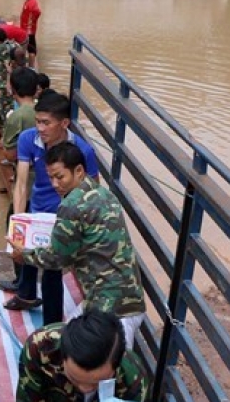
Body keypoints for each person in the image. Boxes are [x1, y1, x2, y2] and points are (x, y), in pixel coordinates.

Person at [8, 142, 146, 346]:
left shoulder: (71, 205)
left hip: (110, 311)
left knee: (105, 369)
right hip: (131, 300)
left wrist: (24, 256)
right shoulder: (104, 194)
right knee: (70, 337)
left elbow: (56, 258)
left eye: (60, 177)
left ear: (79, 171)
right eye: (51, 177)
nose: (55, 184)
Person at [8, 92, 99, 325]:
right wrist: (20, 219)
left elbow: (93, 191)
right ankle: (26, 294)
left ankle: (51, 325)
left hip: (63, 214)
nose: (40, 127)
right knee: (24, 247)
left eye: (46, 123)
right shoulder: (28, 139)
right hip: (37, 207)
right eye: (38, 121)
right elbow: (20, 182)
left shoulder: (83, 151)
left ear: (64, 123)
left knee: (51, 267)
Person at [14, 312, 148, 402]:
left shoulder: (133, 378)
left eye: (96, 383)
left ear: (116, 366)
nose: (85, 388)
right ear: (63, 355)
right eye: (74, 379)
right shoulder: (40, 349)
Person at [0, 67, 40, 294]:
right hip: (45, 181)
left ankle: (20, 282)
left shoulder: (18, 117)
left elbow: (9, 154)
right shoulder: (43, 112)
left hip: (27, 180)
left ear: (13, 89)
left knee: (17, 227)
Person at [17, 0, 41, 68]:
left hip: (28, 30)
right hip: (26, 29)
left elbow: (37, 12)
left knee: (31, 49)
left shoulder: (32, 3)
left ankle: (31, 67)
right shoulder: (29, 1)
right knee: (29, 47)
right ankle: (29, 66)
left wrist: (30, 25)